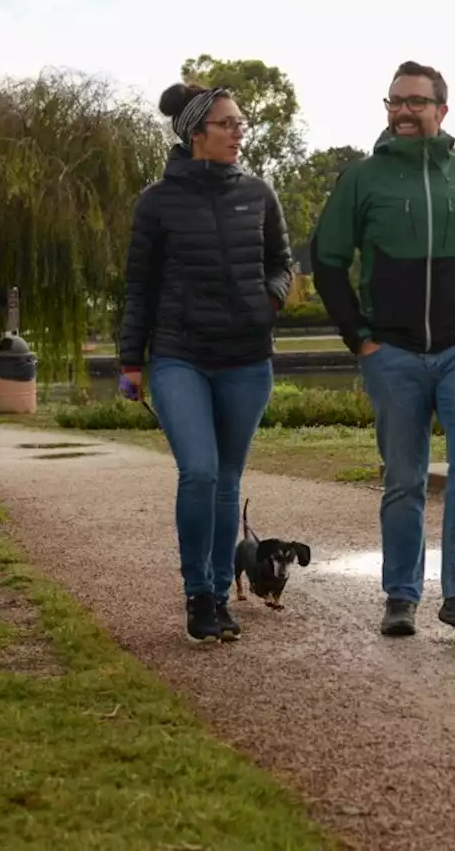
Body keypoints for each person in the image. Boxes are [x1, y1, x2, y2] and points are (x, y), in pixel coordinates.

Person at [310, 60, 455, 639]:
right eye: (395, 101)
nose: (403, 111)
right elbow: (326, 259)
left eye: (416, 102)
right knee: (404, 478)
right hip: (394, 354)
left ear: (441, 111)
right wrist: (359, 338)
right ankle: (400, 597)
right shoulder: (362, 179)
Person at [117, 82, 293, 645]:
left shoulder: (259, 195)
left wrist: (269, 300)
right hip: (179, 357)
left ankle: (220, 594)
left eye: (241, 123)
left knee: (226, 481)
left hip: (245, 360)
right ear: (196, 133)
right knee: (199, 472)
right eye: (228, 124)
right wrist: (130, 362)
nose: (240, 131)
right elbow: (137, 287)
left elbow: (282, 263)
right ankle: (197, 593)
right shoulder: (157, 203)